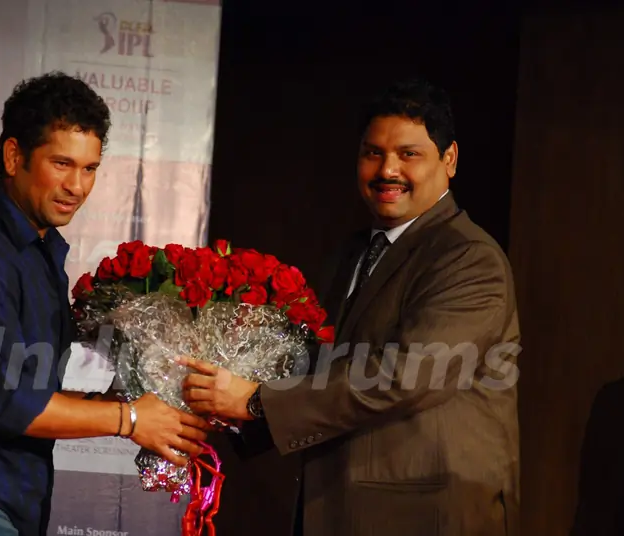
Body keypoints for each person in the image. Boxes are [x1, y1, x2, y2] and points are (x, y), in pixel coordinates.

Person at [0, 72, 209, 536]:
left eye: (90, 168)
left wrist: (147, 403)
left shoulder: (39, 254)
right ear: (14, 156)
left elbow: (22, 391)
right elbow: (6, 400)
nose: (78, 186)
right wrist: (128, 419)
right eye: (62, 164)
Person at [179, 78, 521, 536]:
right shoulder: (355, 252)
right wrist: (220, 406)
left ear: (450, 159)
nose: (387, 170)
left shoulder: (468, 258)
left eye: (409, 154)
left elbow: (402, 377)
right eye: (373, 153)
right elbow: (327, 368)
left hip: (425, 516)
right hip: (346, 506)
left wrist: (257, 401)